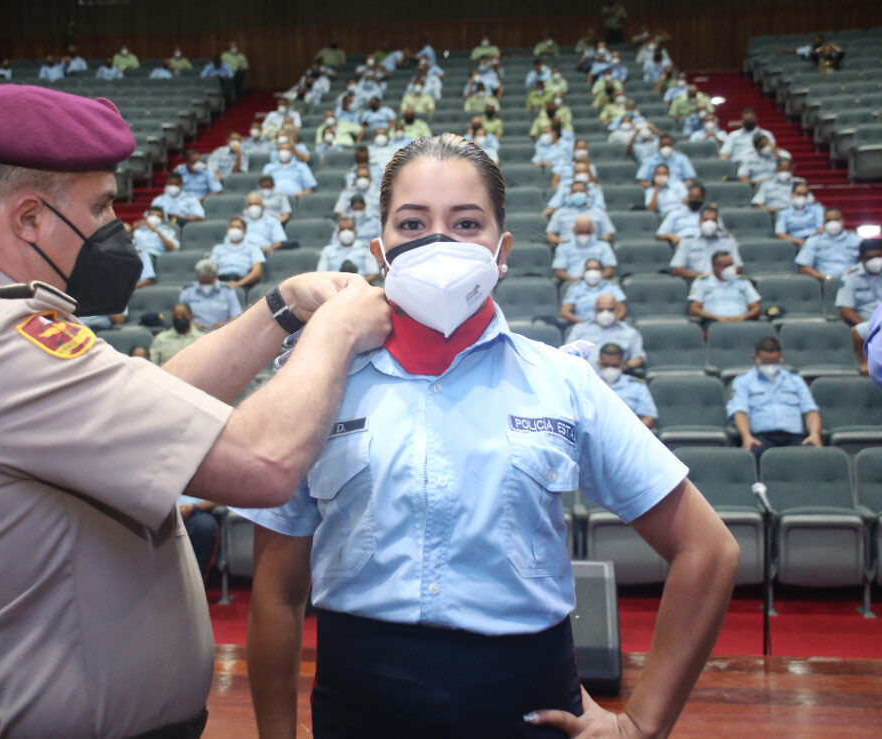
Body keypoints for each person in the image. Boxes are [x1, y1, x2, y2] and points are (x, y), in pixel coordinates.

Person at [0, 83, 391, 738]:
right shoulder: (1, 344)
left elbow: (153, 398)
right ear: (28, 219)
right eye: (101, 205)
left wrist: (281, 308)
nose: (117, 225)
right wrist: (336, 328)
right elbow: (263, 463)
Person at [237, 133, 737, 739]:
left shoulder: (562, 381)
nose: (439, 241)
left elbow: (708, 550)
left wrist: (643, 723)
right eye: (413, 222)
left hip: (526, 706)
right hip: (360, 706)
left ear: (501, 250)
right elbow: (278, 593)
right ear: (381, 250)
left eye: (467, 222)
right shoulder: (319, 387)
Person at [727, 337, 822, 459]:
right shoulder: (743, 381)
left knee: (814, 453)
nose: (770, 367)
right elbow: (739, 412)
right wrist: (746, 437)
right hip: (761, 438)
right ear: (755, 358)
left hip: (794, 437)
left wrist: (814, 434)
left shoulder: (795, 380)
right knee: (750, 452)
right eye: (766, 363)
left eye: (774, 362)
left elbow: (810, 410)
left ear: (780, 357)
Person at [567, 294, 646, 370]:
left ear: (617, 311)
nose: (605, 314)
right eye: (600, 310)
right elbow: (566, 354)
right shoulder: (579, 328)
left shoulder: (630, 333)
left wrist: (622, 368)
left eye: (610, 310)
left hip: (614, 378)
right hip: (583, 375)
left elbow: (639, 358)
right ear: (594, 311)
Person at [688, 251, 762, 325]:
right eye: (726, 266)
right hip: (713, 322)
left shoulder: (742, 281)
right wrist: (716, 317)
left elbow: (756, 308)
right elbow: (694, 310)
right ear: (714, 267)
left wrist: (744, 317)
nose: (730, 269)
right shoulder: (702, 282)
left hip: (742, 322)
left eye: (731, 265)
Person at [670, 206, 742, 280]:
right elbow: (676, 269)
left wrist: (721, 277)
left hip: (723, 281)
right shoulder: (687, 241)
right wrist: (703, 277)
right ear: (700, 221)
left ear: (717, 223)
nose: (709, 223)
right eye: (706, 220)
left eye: (713, 220)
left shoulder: (728, 241)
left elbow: (738, 267)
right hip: (697, 281)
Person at [597, 343, 658, 429]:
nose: (610, 369)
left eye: (615, 366)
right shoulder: (587, 384)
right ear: (599, 363)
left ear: (623, 364)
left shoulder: (636, 385)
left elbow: (648, 417)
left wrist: (631, 435)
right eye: (606, 365)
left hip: (629, 435)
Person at [795, 207, 861, 281]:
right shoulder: (814, 240)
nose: (832, 223)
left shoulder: (856, 240)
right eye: (828, 221)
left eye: (836, 220)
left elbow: (865, 261)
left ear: (842, 220)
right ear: (824, 223)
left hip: (852, 279)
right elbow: (804, 267)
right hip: (826, 279)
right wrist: (827, 278)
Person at [179, 259, 243, 331]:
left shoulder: (227, 291)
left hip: (221, 332)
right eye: (203, 280)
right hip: (194, 333)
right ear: (197, 277)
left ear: (215, 277)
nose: (206, 282)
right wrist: (191, 325)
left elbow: (237, 316)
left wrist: (225, 325)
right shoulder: (188, 291)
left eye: (209, 280)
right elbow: (180, 316)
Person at [559, 259, 627, 324]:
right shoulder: (575, 288)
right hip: (583, 325)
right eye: (589, 269)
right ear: (584, 272)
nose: (592, 272)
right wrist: (583, 323)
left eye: (596, 269)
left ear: (602, 271)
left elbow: (622, 310)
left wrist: (612, 323)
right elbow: (565, 312)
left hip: (610, 325)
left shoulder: (612, 287)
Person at [836, 238, 882, 327]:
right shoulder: (850, 277)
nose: (876, 261)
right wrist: (870, 328)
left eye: (879, 256)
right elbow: (846, 311)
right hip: (867, 326)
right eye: (870, 258)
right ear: (860, 258)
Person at [317, 217, 379, 282]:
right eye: (342, 229)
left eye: (350, 229)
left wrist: (358, 284)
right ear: (338, 232)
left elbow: (373, 274)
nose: (346, 232)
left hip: (360, 287)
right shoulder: (328, 251)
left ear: (355, 231)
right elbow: (320, 274)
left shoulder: (365, 249)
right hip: (334, 288)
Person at [546, 187, 616, 244]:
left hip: (594, 247)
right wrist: (562, 243)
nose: (578, 193)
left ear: (587, 193)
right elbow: (550, 235)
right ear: (570, 194)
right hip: (567, 248)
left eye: (582, 191)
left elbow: (608, 234)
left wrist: (596, 244)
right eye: (575, 192)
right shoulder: (560, 212)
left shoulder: (599, 212)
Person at [552, 220, 617, 282]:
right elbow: (559, 272)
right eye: (580, 231)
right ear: (574, 230)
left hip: (599, 282)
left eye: (587, 231)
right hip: (572, 282)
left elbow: (609, 270)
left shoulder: (603, 246)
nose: (583, 234)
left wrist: (594, 281)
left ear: (592, 230)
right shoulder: (563, 246)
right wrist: (574, 280)